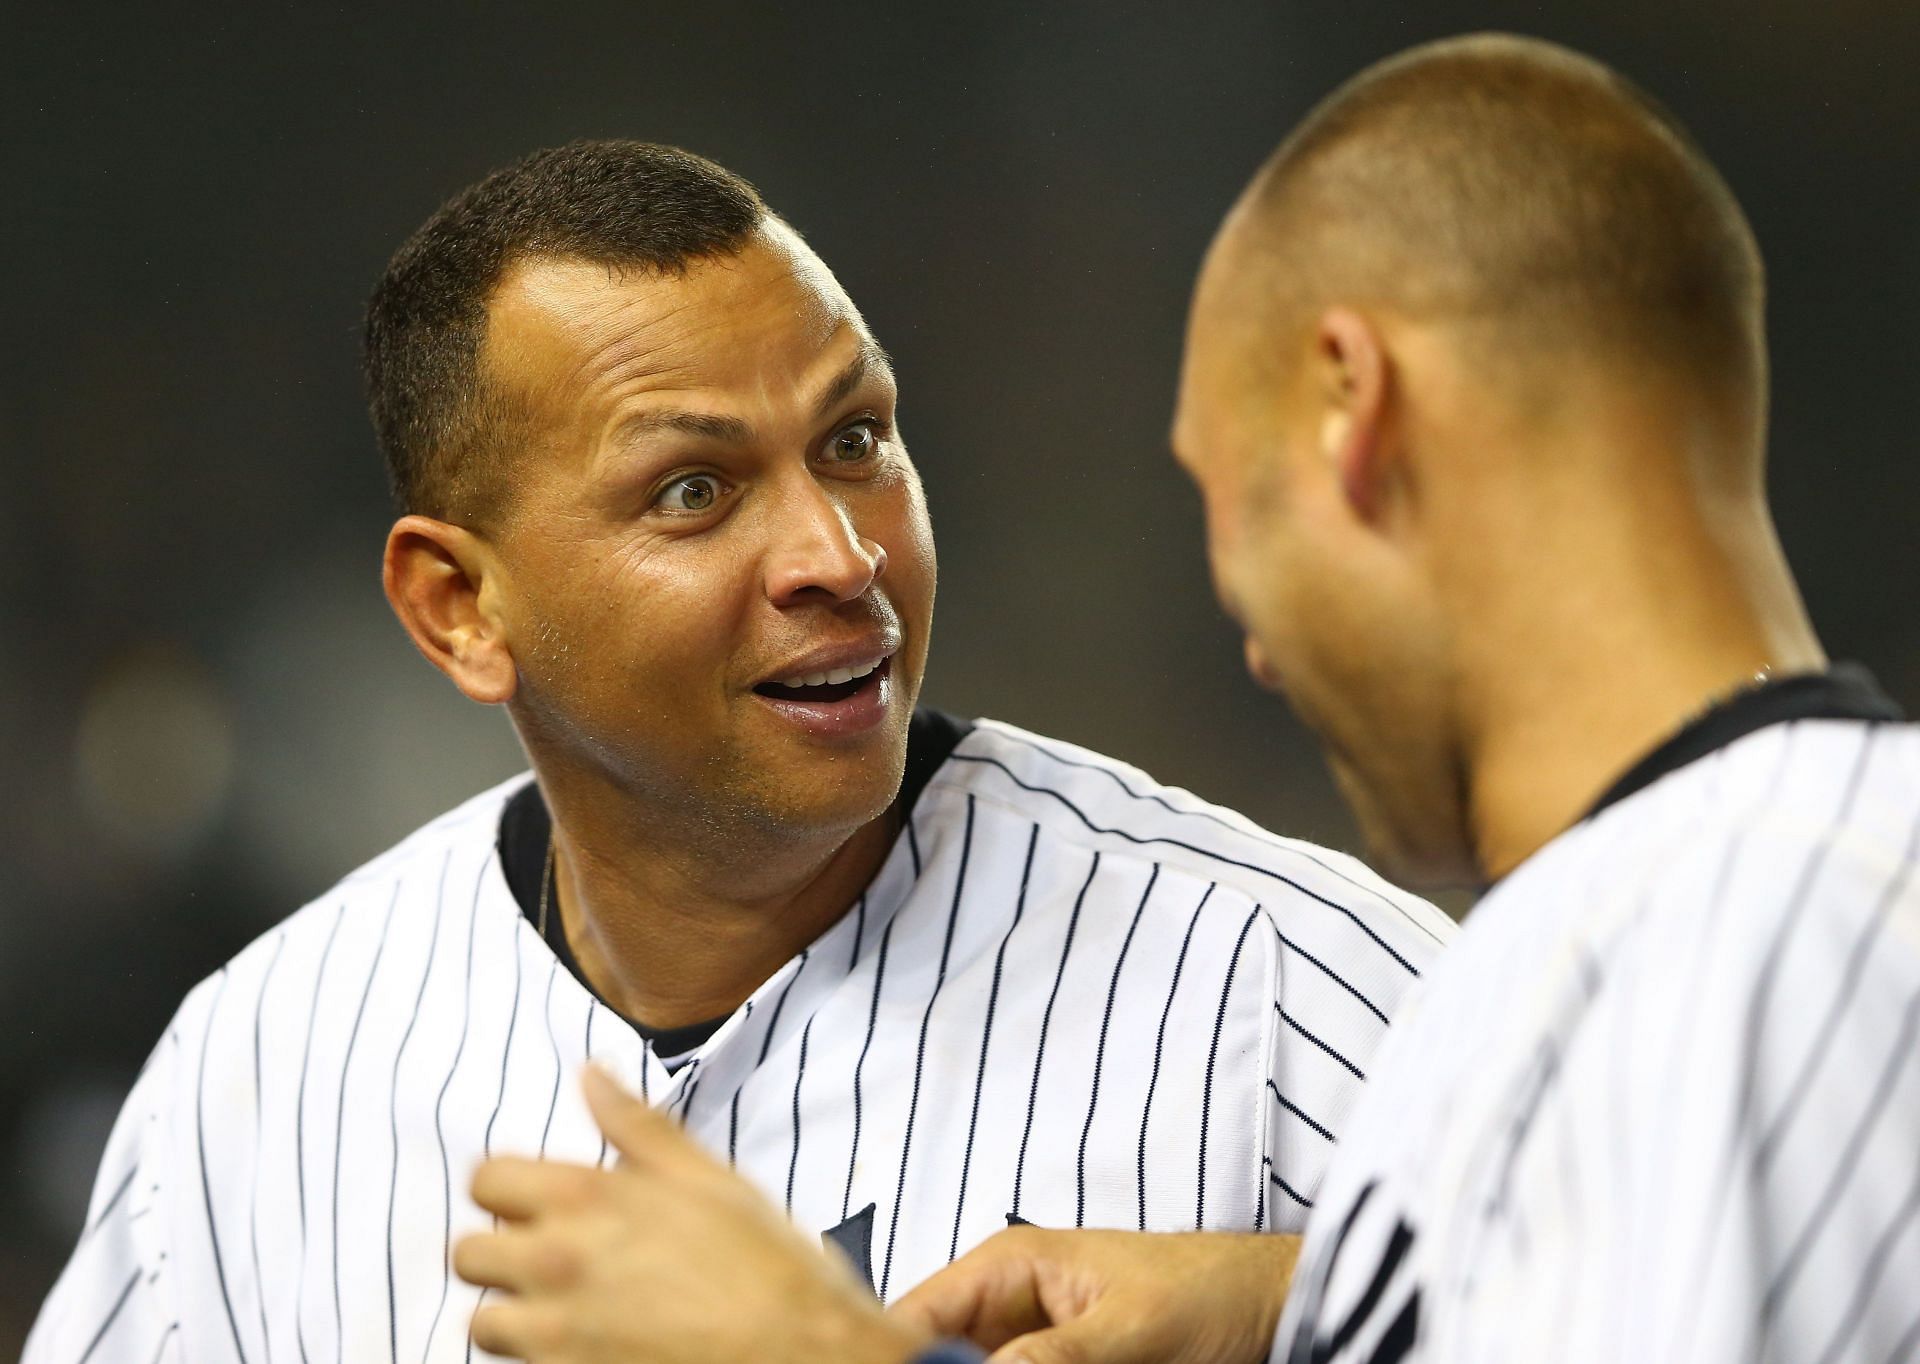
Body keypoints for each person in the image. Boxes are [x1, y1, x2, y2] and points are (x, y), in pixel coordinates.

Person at [439, 32, 1919, 1364]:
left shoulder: (1744, 913)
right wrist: (1309, 1299)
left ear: (1356, 407)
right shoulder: (1747, 897)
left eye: (1230, 498)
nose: (1255, 636)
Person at [22, 141, 1450, 1364]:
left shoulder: (1284, 987)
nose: (837, 554)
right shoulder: (264, 1069)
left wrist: (1304, 1310)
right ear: (460, 609)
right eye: (693, 491)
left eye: (856, 440)